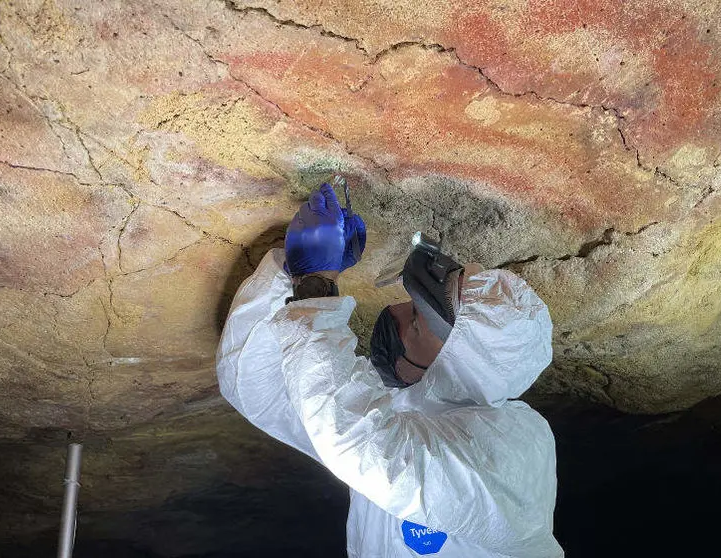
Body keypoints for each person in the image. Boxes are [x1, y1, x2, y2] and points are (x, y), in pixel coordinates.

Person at [217, 183, 564, 557]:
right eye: (410, 303)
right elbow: (255, 386)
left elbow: (362, 445)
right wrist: (290, 274)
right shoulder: (400, 410)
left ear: (446, 366)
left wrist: (314, 288)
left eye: (415, 322)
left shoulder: (514, 451)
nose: (395, 311)